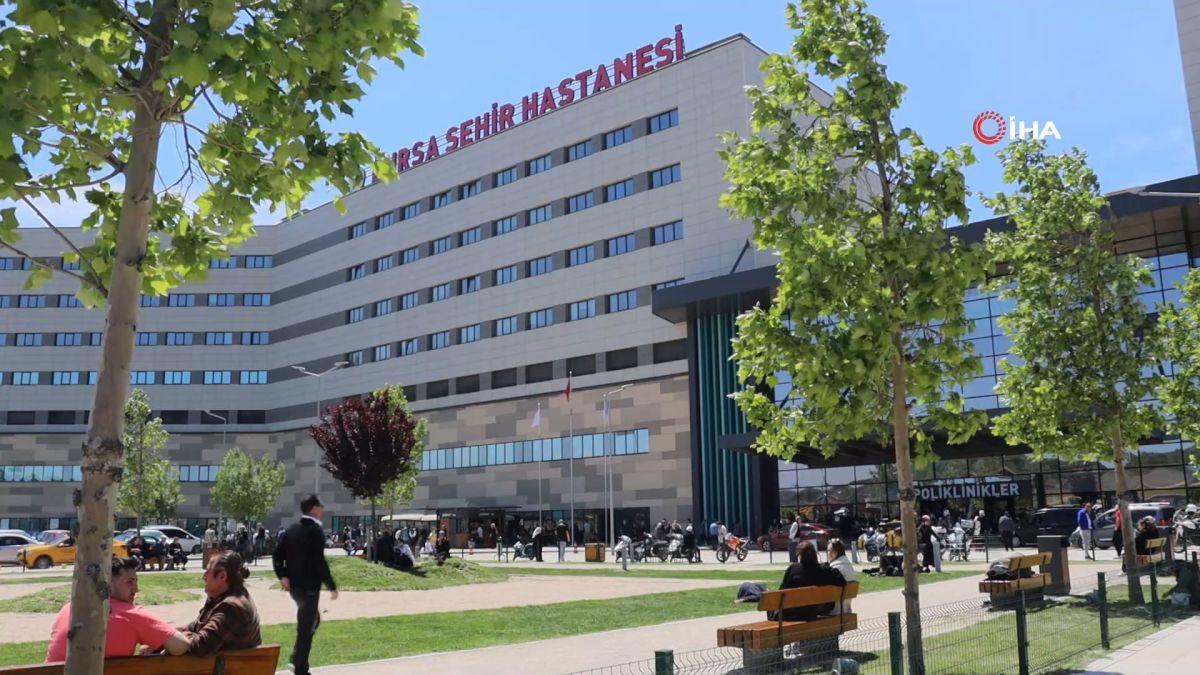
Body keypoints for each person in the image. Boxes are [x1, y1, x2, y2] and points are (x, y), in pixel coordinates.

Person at [46, 556, 190, 661]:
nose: (136, 589)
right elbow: (181, 646)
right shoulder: (131, 614)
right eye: (130, 582)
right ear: (108, 583)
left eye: (136, 582)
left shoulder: (70, 607)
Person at [273, 495, 338, 675]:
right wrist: (331, 585)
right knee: (306, 627)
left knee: (312, 620)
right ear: (313, 509)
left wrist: (282, 575)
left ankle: (297, 656)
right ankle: (300, 667)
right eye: (320, 507)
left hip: (295, 587)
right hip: (309, 587)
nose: (322, 510)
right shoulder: (315, 531)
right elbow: (319, 561)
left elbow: (277, 555)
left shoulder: (291, 530)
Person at [181, 551, 262, 655]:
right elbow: (196, 626)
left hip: (226, 665)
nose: (204, 576)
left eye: (208, 571)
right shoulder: (229, 596)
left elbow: (200, 646)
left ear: (222, 576)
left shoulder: (231, 607)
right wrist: (170, 632)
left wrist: (175, 636)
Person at [775, 541, 845, 620]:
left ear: (800, 556)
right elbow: (842, 581)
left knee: (772, 610)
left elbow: (780, 593)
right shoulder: (824, 570)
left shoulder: (793, 569)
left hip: (794, 614)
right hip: (814, 612)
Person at [826, 539, 857, 615]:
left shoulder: (834, 568)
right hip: (847, 610)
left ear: (839, 551)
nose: (829, 553)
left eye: (832, 551)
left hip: (835, 611)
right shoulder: (849, 566)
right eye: (828, 551)